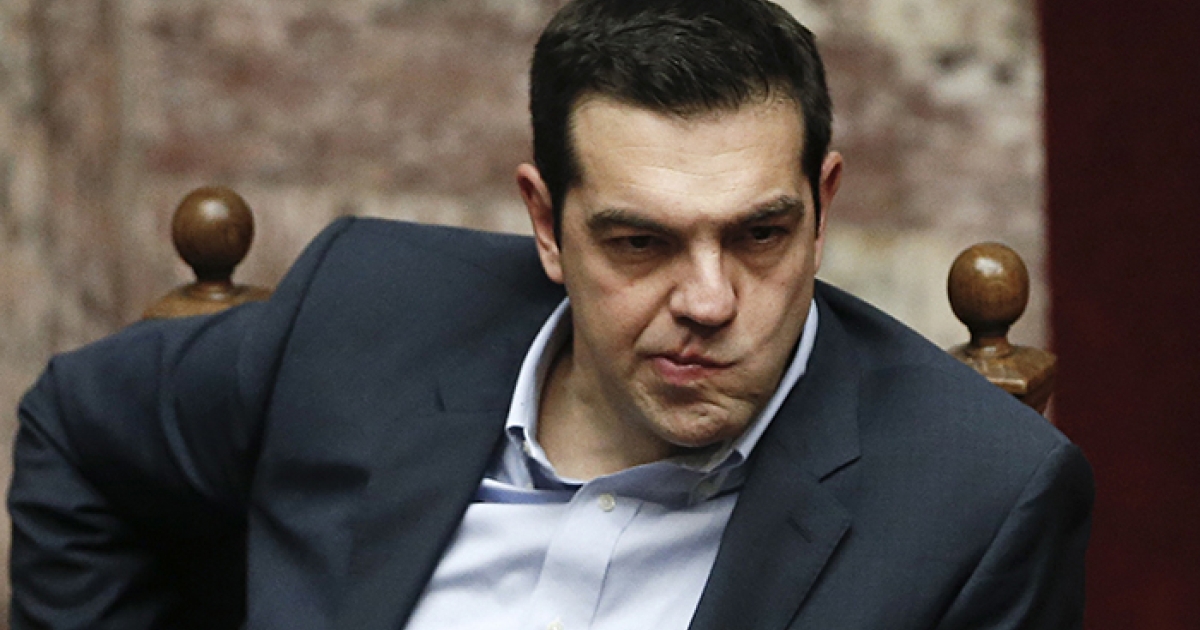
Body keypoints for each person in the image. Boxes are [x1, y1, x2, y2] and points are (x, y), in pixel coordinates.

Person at [8, 0, 1093, 628]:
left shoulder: (976, 500)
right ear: (546, 223)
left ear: (823, 206)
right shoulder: (362, 313)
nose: (709, 301)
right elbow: (75, 437)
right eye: (639, 243)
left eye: (760, 234)